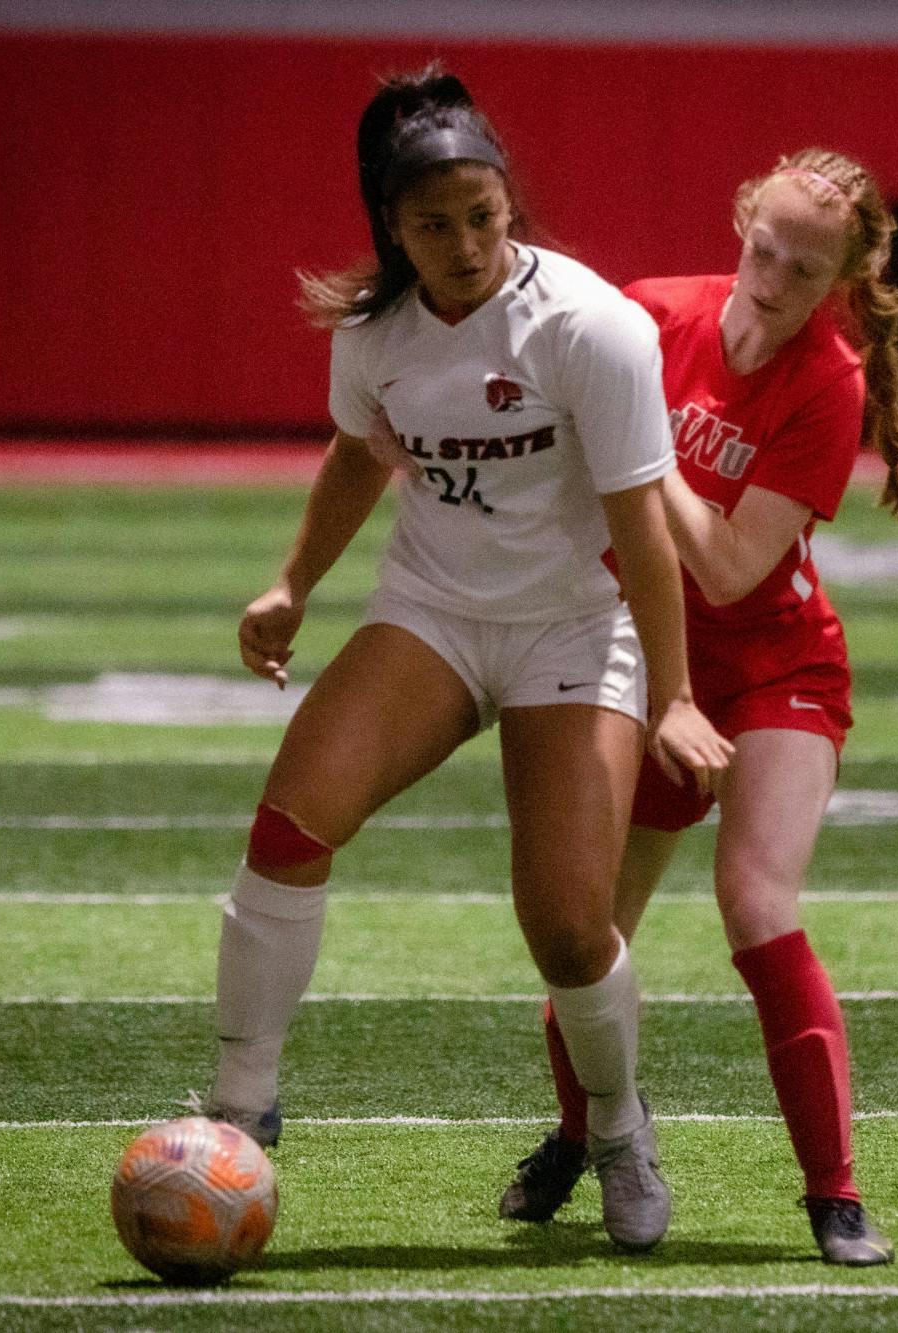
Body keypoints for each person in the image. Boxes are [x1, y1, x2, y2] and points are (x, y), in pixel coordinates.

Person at [197, 67, 733, 1255]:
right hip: (433, 610)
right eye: (432, 224)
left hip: (570, 627)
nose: (462, 244)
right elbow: (359, 455)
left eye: (482, 217)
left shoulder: (591, 326)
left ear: (510, 206)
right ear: (391, 226)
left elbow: (644, 528)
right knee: (290, 827)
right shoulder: (374, 331)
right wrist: (295, 585)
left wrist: (675, 694)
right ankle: (238, 1110)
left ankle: (616, 1127)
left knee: (566, 926)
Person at [492, 148, 898, 1266]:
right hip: (640, 650)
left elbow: (733, 567)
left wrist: (640, 454)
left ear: (840, 278)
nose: (771, 281)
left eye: (802, 267)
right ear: (739, 225)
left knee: (754, 898)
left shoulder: (827, 380)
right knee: (585, 923)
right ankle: (582, 1131)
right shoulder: (648, 317)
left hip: (773, 665)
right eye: (761, 251)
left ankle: (833, 1194)